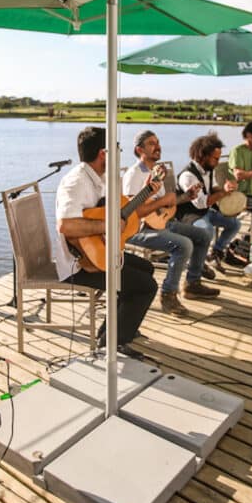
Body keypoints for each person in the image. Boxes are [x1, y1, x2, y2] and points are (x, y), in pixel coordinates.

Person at [56, 126, 158, 342]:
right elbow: (66, 225)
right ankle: (115, 344)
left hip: (101, 254)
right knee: (145, 287)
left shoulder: (100, 178)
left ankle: (112, 332)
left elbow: (119, 212)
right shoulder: (76, 182)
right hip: (79, 264)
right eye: (117, 150)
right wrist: (107, 226)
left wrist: (147, 192)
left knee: (146, 269)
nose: (119, 155)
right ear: (104, 153)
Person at [121, 130, 219, 315]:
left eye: (158, 142)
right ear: (139, 149)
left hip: (159, 223)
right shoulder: (134, 175)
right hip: (138, 229)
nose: (157, 146)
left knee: (203, 235)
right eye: (151, 143)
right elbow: (134, 212)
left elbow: (164, 206)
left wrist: (185, 197)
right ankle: (168, 295)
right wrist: (164, 200)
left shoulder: (155, 171)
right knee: (183, 245)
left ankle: (192, 284)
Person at [177, 132, 246, 271]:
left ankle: (216, 252)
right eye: (215, 158)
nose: (218, 162)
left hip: (205, 212)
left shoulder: (209, 170)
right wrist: (224, 192)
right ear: (203, 156)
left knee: (235, 224)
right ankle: (197, 263)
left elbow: (214, 189)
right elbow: (202, 203)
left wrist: (227, 189)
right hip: (188, 215)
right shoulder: (188, 176)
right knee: (208, 230)